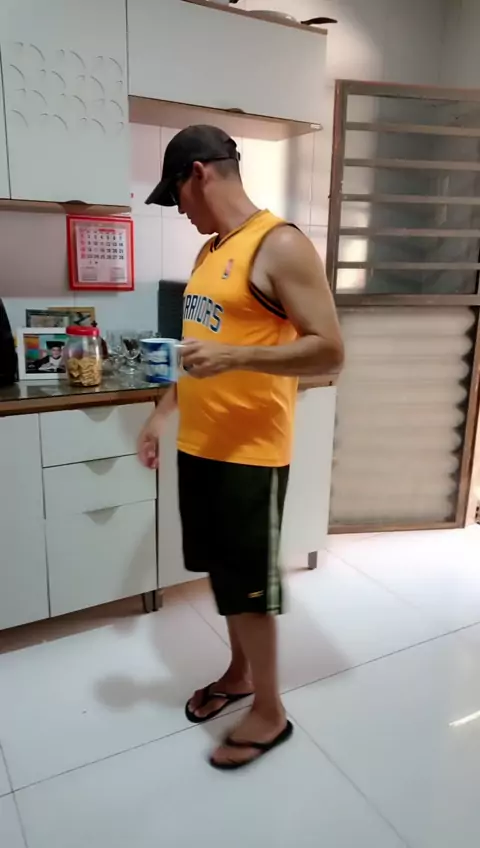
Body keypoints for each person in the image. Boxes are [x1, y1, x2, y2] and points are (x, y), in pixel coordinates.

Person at [138, 125, 344, 770]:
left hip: (250, 453)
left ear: (198, 174)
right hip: (201, 444)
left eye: (176, 195)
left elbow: (330, 351)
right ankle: (240, 674)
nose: (180, 210)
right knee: (225, 576)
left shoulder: (279, 244)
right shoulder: (210, 252)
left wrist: (234, 357)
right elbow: (196, 350)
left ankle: (271, 711)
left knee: (249, 587)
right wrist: (159, 415)